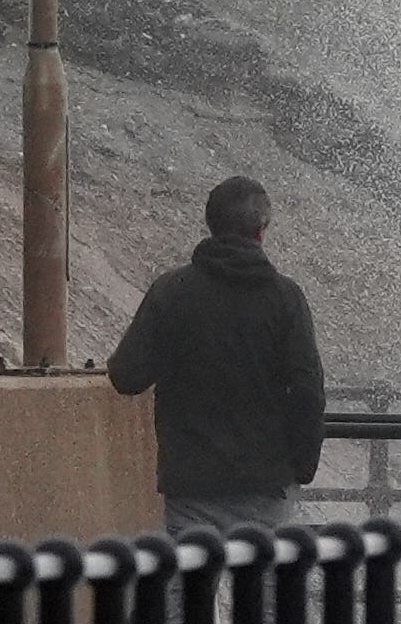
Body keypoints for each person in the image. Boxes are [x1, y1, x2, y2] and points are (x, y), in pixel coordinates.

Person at [106, 175, 327, 535]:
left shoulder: (172, 292)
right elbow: (307, 391)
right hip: (266, 483)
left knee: (189, 586)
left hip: (192, 483)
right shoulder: (285, 298)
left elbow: (127, 376)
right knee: (263, 589)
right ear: (261, 231)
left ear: (211, 225)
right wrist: (301, 466)